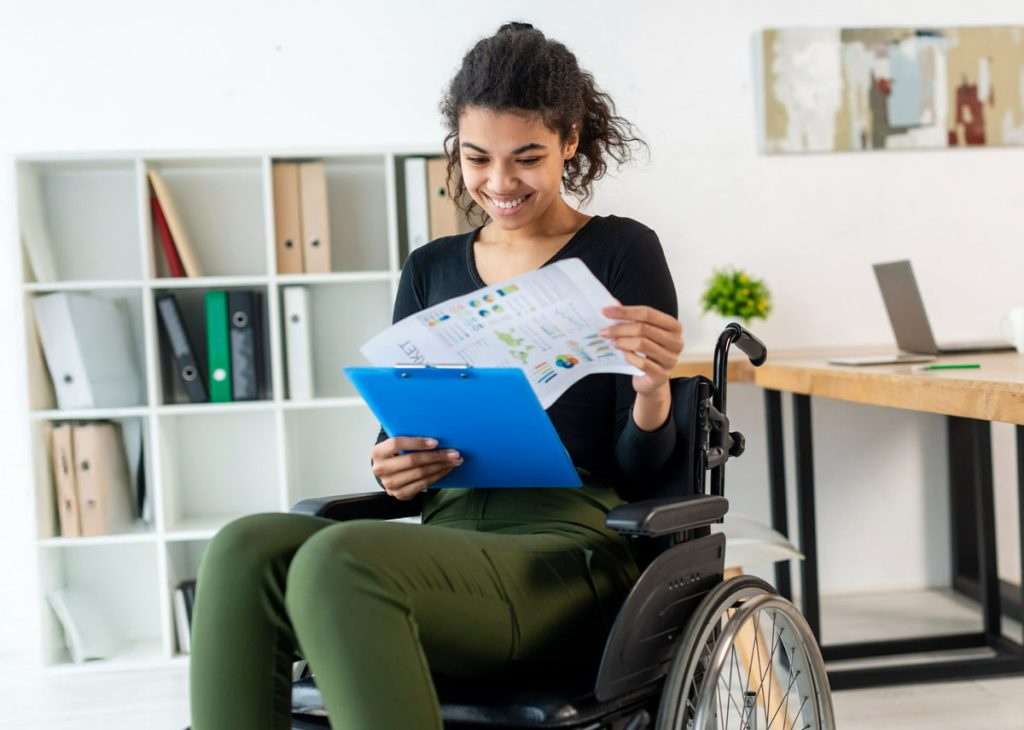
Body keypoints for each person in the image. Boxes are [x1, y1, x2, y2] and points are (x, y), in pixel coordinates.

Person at [189, 21, 684, 730]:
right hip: (446, 538)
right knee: (245, 547)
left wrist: (652, 389)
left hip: (567, 553)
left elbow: (642, 479)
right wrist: (397, 467)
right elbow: (400, 443)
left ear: (571, 141)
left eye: (527, 158)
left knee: (342, 561)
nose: (499, 183)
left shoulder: (620, 251)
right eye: (478, 157)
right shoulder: (431, 268)